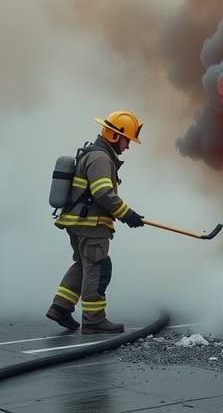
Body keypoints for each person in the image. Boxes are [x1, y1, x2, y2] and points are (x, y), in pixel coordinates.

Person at [45, 111, 146, 334]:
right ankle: (94, 320)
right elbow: (102, 193)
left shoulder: (94, 154)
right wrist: (127, 214)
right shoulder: (101, 158)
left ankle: (60, 307)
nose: (128, 146)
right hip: (91, 225)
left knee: (83, 264)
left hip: (79, 222)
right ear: (114, 135)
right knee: (98, 268)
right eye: (126, 140)